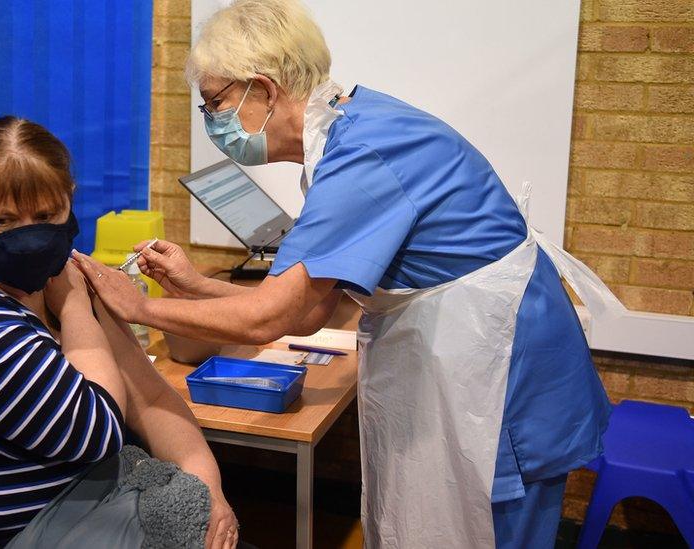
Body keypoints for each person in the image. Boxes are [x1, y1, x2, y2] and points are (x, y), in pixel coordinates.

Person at [70, 1, 624, 547]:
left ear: (263, 90)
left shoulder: (360, 155)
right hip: (472, 347)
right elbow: (313, 307)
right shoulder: (350, 128)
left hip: (498, 367)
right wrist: (194, 285)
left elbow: (276, 315)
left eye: (215, 103)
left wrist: (138, 306)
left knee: (489, 527)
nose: (212, 121)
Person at [0, 116, 239, 548]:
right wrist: (77, 308)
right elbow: (96, 432)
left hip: (64, 509)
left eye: (46, 215)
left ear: (70, 200)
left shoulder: (61, 275)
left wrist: (209, 493)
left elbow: (151, 399)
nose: (30, 238)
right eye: (4, 221)